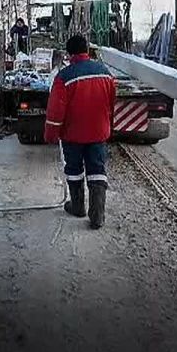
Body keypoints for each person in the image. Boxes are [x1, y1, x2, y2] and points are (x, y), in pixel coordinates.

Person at [43, 34, 116, 229]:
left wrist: (51, 134)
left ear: (69, 54)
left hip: (73, 135)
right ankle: (97, 215)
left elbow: (55, 111)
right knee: (97, 170)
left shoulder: (64, 77)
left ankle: (77, 207)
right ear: (87, 50)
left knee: (74, 170)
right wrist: (109, 126)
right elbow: (111, 103)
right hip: (98, 133)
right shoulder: (105, 73)